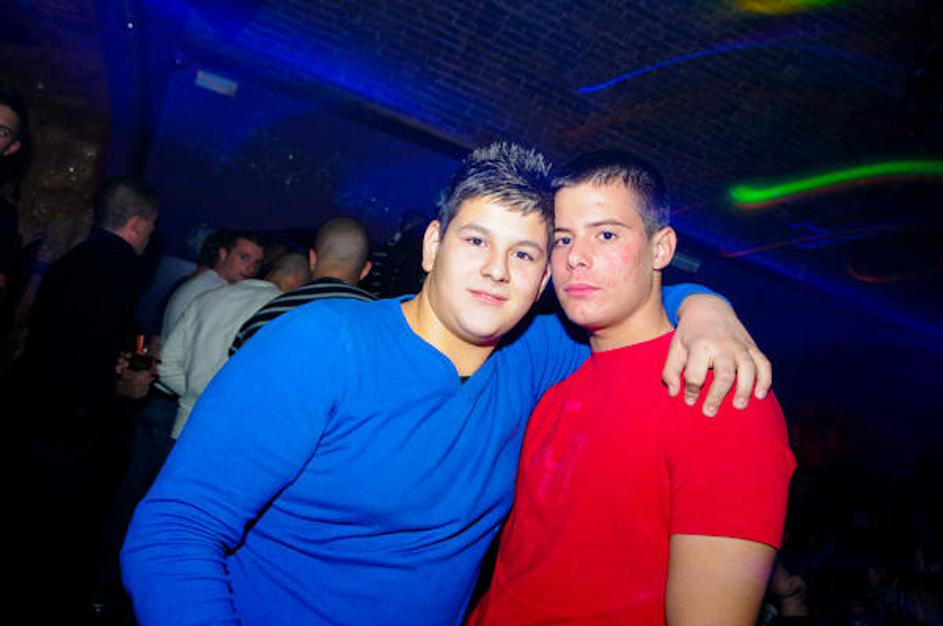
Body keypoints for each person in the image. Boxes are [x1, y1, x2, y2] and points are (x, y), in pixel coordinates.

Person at [121, 142, 771, 626]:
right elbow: (173, 530)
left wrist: (705, 307)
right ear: (433, 245)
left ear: (544, 277)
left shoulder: (533, 356)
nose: (496, 270)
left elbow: (628, 303)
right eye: (476, 241)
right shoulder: (323, 343)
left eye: (524, 253)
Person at [470, 151, 795, 625]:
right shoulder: (556, 373)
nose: (576, 257)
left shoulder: (721, 393)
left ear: (661, 249)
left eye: (605, 234)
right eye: (563, 239)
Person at [9, 176, 159, 620]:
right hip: (68, 428)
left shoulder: (70, 260)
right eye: (151, 226)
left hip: (27, 411)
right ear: (137, 223)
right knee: (56, 542)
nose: (150, 236)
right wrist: (123, 386)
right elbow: (87, 359)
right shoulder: (120, 271)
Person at [161, 251, 310, 439]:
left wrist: (196, 394)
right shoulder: (289, 316)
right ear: (298, 280)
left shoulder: (209, 297)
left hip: (186, 425)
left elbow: (165, 365)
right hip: (236, 433)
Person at [230, 216, 375, 354]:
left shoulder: (267, 317)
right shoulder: (383, 319)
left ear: (312, 259)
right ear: (366, 270)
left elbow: (238, 366)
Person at [160, 230, 264, 340]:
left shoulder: (205, 283)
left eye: (257, 263)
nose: (251, 268)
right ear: (223, 254)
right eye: (244, 258)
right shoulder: (216, 291)